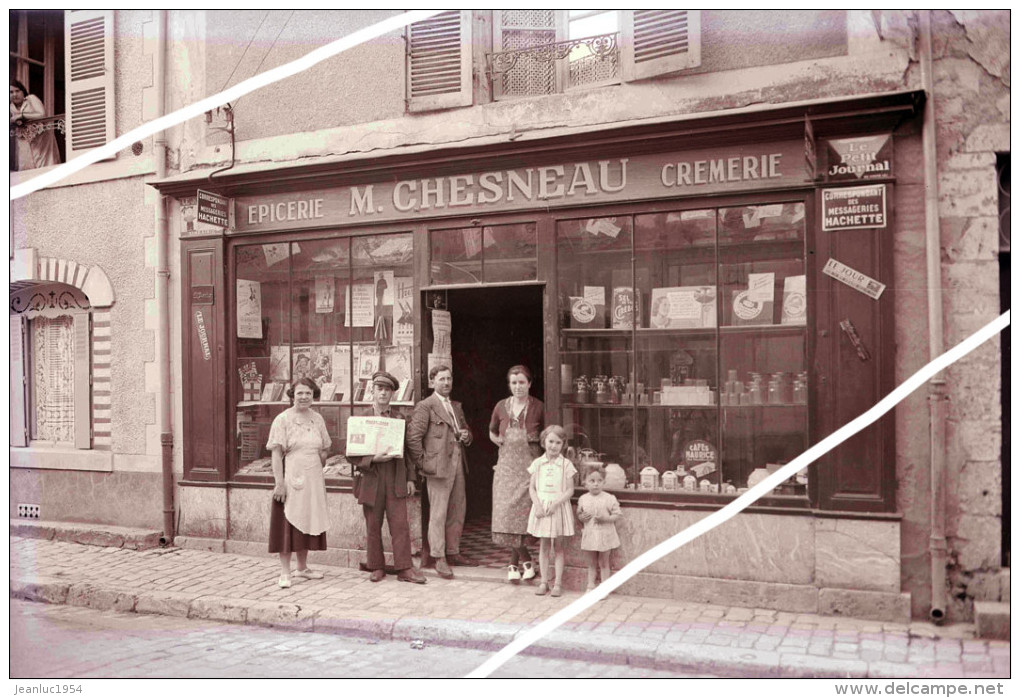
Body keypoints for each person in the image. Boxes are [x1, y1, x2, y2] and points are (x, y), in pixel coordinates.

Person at [352, 371, 426, 584]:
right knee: (373, 525)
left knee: (400, 524)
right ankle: (376, 566)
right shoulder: (361, 418)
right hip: (371, 477)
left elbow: (408, 452)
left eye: (387, 390)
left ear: (392, 394)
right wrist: (372, 459)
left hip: (395, 477)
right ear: (372, 391)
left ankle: (404, 568)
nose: (383, 393)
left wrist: (410, 478)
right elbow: (351, 452)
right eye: (380, 389)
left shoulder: (400, 419)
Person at [407, 365, 478, 579]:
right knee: (438, 513)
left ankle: (453, 551)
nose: (446, 383)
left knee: (457, 508)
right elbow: (413, 438)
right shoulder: (426, 406)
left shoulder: (456, 406)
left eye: (449, 379)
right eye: (441, 379)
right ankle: (438, 556)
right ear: (432, 382)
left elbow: (466, 430)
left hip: (457, 462)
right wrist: (424, 464)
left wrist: (467, 436)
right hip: (437, 467)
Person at [267, 378, 331, 589]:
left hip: (313, 478)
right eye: (300, 393)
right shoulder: (282, 419)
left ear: (314, 396)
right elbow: (276, 454)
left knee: (307, 520)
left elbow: (325, 447)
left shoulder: (317, 419)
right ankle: (285, 572)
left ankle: (302, 568)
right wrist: (279, 483)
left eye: (308, 393)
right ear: (292, 395)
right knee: (288, 523)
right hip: (291, 477)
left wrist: (321, 458)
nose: (304, 397)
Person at [489, 365, 544, 583]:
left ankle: (514, 564)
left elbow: (547, 435)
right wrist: (501, 443)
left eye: (522, 382)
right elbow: (492, 431)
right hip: (506, 470)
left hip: (529, 469)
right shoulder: (501, 406)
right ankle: (526, 561)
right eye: (514, 383)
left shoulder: (538, 407)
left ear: (529, 383)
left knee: (522, 517)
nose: (518, 387)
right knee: (507, 514)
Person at [527, 425, 577, 597]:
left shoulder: (566, 464)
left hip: (558, 508)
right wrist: (537, 505)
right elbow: (532, 488)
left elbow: (570, 490)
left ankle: (557, 583)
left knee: (559, 547)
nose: (553, 446)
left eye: (558, 443)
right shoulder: (537, 463)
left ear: (563, 444)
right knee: (544, 546)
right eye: (550, 441)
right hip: (542, 508)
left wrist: (556, 503)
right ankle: (543, 582)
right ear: (544, 441)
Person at [576, 465, 622, 593]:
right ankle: (591, 585)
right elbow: (579, 513)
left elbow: (617, 515)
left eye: (599, 481)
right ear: (585, 482)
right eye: (592, 481)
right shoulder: (583, 499)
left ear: (604, 482)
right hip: (590, 533)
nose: (596, 484)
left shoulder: (609, 498)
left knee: (604, 562)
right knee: (591, 562)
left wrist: (606, 519)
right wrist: (581, 517)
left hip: (604, 534)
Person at [9, 79, 60, 171]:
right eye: (11, 92)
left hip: (41, 139)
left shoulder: (31, 99)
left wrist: (22, 115)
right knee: (26, 168)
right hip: (24, 140)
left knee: (45, 166)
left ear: (23, 91)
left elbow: (41, 114)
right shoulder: (10, 107)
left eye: (17, 91)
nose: (14, 95)